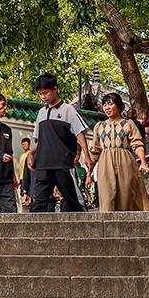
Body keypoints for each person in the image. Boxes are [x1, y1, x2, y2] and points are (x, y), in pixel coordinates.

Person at [27, 73, 92, 213]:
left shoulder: (68, 110)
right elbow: (40, 139)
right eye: (40, 94)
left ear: (55, 89)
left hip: (63, 163)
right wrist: (31, 153)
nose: (43, 97)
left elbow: (79, 133)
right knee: (38, 202)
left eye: (45, 92)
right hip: (43, 164)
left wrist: (86, 156)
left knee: (73, 200)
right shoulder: (41, 113)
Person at [88, 91, 149, 212]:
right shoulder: (99, 126)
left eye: (110, 104)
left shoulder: (128, 124)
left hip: (125, 162)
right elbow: (95, 151)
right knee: (106, 198)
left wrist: (143, 162)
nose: (107, 107)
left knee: (126, 195)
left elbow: (137, 144)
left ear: (119, 106)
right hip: (105, 163)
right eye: (105, 105)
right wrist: (89, 173)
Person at [18, 137, 33, 209]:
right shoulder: (21, 156)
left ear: (29, 145)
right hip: (22, 178)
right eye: (23, 145)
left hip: (29, 177)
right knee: (22, 195)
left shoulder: (30, 154)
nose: (24, 146)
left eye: (25, 144)